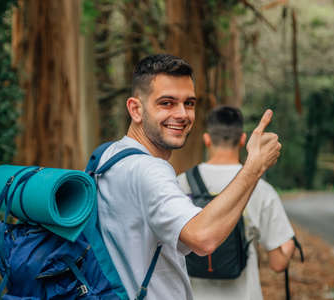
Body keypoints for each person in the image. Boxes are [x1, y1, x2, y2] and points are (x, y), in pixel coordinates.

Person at [92, 54, 281, 299]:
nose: (182, 114)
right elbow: (203, 238)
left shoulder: (108, 156)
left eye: (189, 103)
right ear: (136, 109)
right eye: (167, 103)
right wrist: (254, 167)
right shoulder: (150, 170)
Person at [177, 105, 295, 300]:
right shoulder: (260, 187)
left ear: (206, 139)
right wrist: (289, 246)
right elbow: (278, 263)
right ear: (243, 140)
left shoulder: (180, 183)